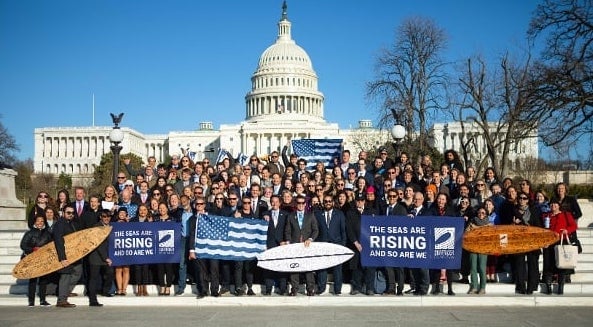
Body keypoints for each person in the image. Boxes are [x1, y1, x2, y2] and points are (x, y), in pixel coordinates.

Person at [285, 195, 319, 296]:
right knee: (295, 267)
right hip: (295, 245)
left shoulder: (310, 215)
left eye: (302, 203)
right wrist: (288, 242)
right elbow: (288, 231)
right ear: (296, 204)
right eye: (298, 203)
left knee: (308, 268)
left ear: (305, 204)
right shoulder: (291, 216)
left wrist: (310, 239)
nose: (300, 205)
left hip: (307, 246)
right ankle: (294, 289)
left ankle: (310, 289)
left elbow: (315, 230)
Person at [542, 200, 577, 295]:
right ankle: (548, 286)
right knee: (548, 263)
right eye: (552, 204)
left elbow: (574, 226)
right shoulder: (546, 215)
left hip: (562, 241)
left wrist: (567, 230)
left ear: (559, 206)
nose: (553, 206)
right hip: (549, 242)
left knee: (561, 264)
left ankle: (561, 286)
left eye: (555, 204)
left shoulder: (566, 214)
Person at [315, 194, 346, 295]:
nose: (328, 203)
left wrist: (343, 245)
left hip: (336, 245)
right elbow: (316, 230)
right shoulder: (318, 214)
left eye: (329, 201)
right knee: (322, 267)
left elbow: (343, 231)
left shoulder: (340, 214)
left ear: (332, 202)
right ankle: (321, 288)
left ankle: (337, 289)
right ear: (323, 203)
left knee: (337, 268)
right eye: (326, 201)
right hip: (322, 244)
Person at [346, 195, 377, 295]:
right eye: (358, 200)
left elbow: (376, 227)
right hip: (355, 244)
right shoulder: (350, 213)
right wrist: (355, 242)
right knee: (356, 267)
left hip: (369, 244)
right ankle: (356, 287)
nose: (359, 202)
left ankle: (370, 288)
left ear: (364, 201)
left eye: (361, 200)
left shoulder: (371, 212)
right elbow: (349, 229)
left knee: (370, 267)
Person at [53, 205, 83, 307]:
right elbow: (59, 242)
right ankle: (62, 300)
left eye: (72, 213)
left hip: (73, 255)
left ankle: (65, 291)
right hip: (65, 255)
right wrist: (62, 258)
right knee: (66, 275)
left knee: (78, 271)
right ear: (63, 213)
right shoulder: (60, 224)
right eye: (68, 213)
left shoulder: (72, 223)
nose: (71, 215)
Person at [20, 215, 53, 306]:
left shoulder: (48, 233)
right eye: (38, 221)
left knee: (43, 280)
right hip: (32, 258)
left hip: (43, 259)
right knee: (33, 280)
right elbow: (23, 245)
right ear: (35, 222)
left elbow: (51, 246)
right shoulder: (29, 233)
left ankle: (43, 300)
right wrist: (33, 249)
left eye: (42, 221)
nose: (40, 223)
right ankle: (31, 301)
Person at [262, 195, 289, 295]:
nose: (274, 204)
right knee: (269, 267)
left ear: (280, 203)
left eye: (276, 201)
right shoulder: (265, 214)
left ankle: (282, 288)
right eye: (272, 202)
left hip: (281, 244)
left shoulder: (285, 215)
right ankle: (268, 289)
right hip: (269, 244)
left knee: (282, 266)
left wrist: (286, 241)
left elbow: (288, 229)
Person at [87, 210, 114, 306]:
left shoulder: (111, 226)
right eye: (104, 216)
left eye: (108, 216)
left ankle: (105, 291)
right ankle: (93, 300)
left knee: (110, 273)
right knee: (93, 278)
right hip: (96, 257)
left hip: (106, 256)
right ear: (100, 217)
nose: (106, 218)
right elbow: (99, 244)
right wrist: (106, 258)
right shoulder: (96, 227)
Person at [467, 207, 491, 295]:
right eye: (479, 213)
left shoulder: (489, 223)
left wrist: (476, 228)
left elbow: (488, 233)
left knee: (481, 267)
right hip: (473, 246)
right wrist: (470, 228)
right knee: (473, 267)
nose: (481, 214)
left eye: (483, 213)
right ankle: (474, 286)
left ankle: (482, 287)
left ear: (486, 214)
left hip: (483, 248)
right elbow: (466, 233)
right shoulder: (472, 222)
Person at [132, 204, 153, 296]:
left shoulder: (150, 220)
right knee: (137, 268)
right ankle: (139, 288)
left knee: (145, 268)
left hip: (147, 247)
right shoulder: (133, 220)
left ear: (147, 211)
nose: (142, 212)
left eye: (144, 210)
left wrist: (150, 224)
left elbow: (153, 232)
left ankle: (144, 288)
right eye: (141, 210)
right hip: (136, 247)